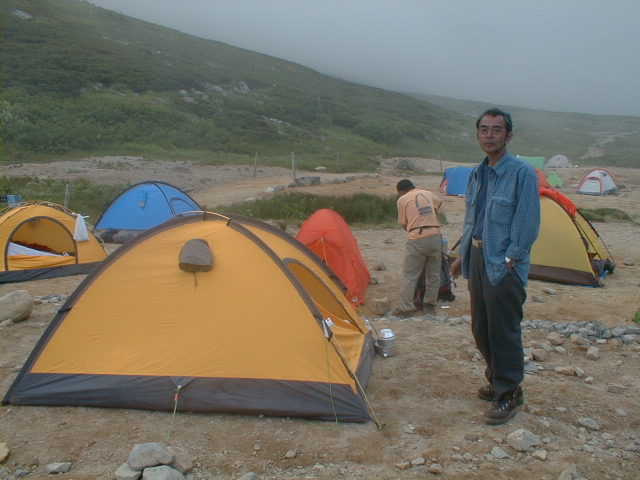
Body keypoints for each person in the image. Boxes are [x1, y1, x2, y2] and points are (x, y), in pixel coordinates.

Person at [450, 108, 540, 425]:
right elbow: (473, 219)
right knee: (481, 328)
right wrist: (463, 255)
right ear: (478, 134)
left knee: (503, 330)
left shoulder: (522, 173)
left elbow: (527, 224)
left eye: (496, 129)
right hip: (477, 258)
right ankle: (497, 378)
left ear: (508, 135)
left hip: (503, 263)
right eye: (484, 129)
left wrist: (510, 259)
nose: (489, 135)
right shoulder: (478, 173)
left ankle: (509, 392)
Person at [396, 179, 443, 316]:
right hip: (435, 235)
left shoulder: (402, 200)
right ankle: (429, 305)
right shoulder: (427, 193)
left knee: (410, 276)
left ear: (401, 191)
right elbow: (438, 204)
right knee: (433, 275)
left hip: (417, 237)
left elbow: (404, 223)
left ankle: (406, 308)